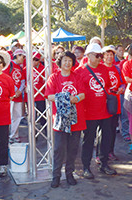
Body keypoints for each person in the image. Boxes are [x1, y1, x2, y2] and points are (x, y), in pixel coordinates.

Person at [75, 43, 117, 179]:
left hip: (104, 111)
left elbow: (108, 86)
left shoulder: (104, 69)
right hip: (89, 112)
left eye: (101, 55)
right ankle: (86, 167)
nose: (100, 58)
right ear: (88, 55)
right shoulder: (80, 71)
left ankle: (104, 163)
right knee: (88, 140)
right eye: (98, 55)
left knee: (106, 138)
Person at [45, 51, 86, 188]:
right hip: (60, 120)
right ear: (60, 62)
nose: (67, 63)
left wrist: (77, 98)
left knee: (73, 148)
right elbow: (49, 96)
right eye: (65, 60)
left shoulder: (77, 76)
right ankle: (56, 175)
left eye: (70, 60)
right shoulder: (54, 77)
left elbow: (83, 94)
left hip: (76, 119)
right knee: (58, 149)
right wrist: (64, 97)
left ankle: (69, 173)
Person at [101, 46, 125, 161]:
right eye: (107, 55)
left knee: (112, 128)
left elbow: (122, 83)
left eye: (111, 54)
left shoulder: (117, 68)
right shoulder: (100, 69)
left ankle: (111, 151)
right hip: (104, 103)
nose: (109, 57)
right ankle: (100, 154)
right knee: (103, 130)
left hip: (115, 103)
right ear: (103, 56)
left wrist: (121, 88)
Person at [3, 49, 26, 143]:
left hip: (18, 96)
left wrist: (20, 90)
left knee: (18, 115)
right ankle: (7, 135)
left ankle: (14, 135)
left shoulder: (20, 68)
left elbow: (22, 80)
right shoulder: (9, 65)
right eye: (23, 56)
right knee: (9, 116)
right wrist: (15, 90)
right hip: (10, 96)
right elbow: (6, 79)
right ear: (17, 55)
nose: (24, 59)